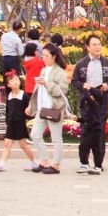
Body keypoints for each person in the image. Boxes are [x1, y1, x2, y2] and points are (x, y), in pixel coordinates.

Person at [71, 35, 108, 175]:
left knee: (99, 133)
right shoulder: (81, 64)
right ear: (87, 47)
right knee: (86, 132)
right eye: (94, 44)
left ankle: (98, 164)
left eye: (99, 44)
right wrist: (83, 86)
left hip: (102, 103)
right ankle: (84, 163)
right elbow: (74, 81)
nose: (97, 47)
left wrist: (107, 85)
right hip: (87, 103)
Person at [26, 44, 72, 174]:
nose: (44, 58)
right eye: (43, 55)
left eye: (47, 56)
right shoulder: (44, 70)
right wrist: (31, 106)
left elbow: (62, 91)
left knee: (56, 137)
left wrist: (46, 83)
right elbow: (37, 89)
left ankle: (56, 165)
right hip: (41, 108)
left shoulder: (60, 72)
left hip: (54, 108)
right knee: (35, 134)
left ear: (54, 56)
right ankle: (44, 160)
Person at [0, 72, 37, 172]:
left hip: (20, 123)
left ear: (20, 82)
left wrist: (29, 113)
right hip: (11, 124)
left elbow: (30, 110)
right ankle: (1, 165)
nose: (15, 82)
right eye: (12, 81)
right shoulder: (9, 96)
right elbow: (7, 110)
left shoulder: (24, 95)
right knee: (7, 144)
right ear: (8, 85)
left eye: (17, 80)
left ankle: (34, 163)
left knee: (23, 145)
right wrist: (7, 121)